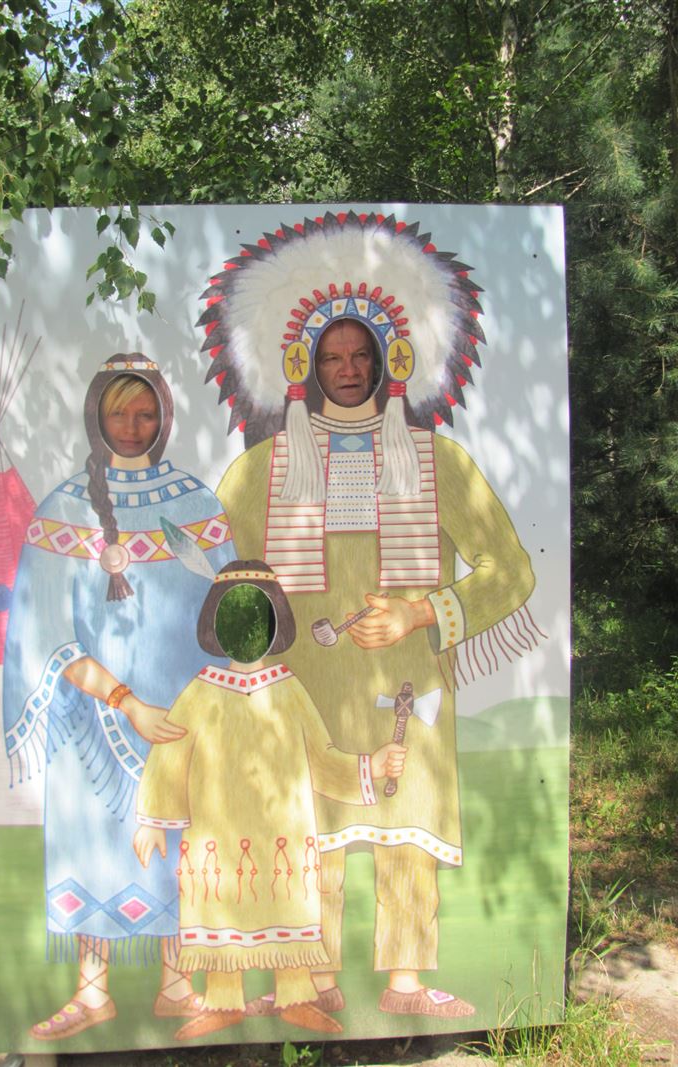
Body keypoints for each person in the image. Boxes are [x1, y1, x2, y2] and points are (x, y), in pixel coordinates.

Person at [200, 212, 540, 1017]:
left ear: (389, 361)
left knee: (406, 824)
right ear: (306, 365)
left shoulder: (437, 460)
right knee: (307, 827)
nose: (348, 370)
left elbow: (512, 571)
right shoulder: (260, 471)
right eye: (333, 357)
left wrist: (423, 611)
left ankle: (406, 981)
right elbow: (216, 574)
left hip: (406, 683)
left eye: (361, 356)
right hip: (303, 687)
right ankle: (311, 980)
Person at [3, 355, 236, 1040]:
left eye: (145, 412)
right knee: (91, 841)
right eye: (118, 412)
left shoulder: (197, 506)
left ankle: (177, 984)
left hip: (181, 717)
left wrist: (208, 708)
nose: (132, 426)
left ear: (164, 416)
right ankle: (92, 991)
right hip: (92, 718)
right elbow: (47, 633)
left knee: (176, 841)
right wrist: (126, 700)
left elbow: (228, 613)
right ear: (95, 416)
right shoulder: (65, 509)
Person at [133, 560, 407, 1040]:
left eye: (255, 615)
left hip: (284, 832)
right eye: (235, 616)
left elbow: (322, 756)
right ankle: (223, 1001)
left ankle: (296, 998)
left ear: (275, 621)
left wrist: (373, 766)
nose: (245, 627)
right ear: (215, 623)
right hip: (218, 834)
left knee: (286, 907)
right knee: (222, 904)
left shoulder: (288, 690)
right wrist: (152, 819)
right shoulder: (200, 692)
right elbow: (170, 752)